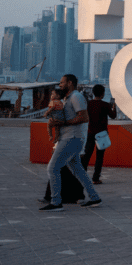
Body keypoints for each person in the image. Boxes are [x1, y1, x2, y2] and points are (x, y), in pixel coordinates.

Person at [41, 74, 102, 211]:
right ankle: (94, 197)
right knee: (78, 170)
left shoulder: (76, 97)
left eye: (62, 82)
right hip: (69, 138)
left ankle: (56, 202)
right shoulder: (67, 98)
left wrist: (64, 122)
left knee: (52, 168)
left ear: (70, 83)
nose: (60, 84)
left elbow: (84, 117)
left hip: (72, 138)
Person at [82, 84, 116, 184]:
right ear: (103, 94)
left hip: (91, 132)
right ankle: (95, 178)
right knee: (99, 157)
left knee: (86, 156)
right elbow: (113, 116)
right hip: (102, 134)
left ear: (93, 93)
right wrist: (113, 107)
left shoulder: (89, 104)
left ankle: (81, 176)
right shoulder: (105, 105)